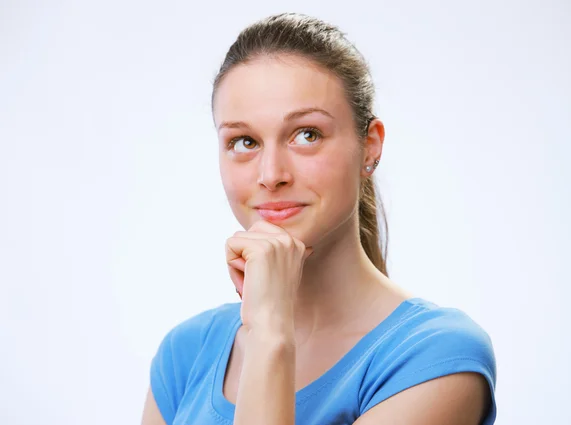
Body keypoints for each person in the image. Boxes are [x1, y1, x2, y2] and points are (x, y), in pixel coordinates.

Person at [140, 12, 497, 425]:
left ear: (370, 147)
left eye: (307, 134)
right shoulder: (185, 354)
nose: (271, 174)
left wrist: (271, 333)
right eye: (244, 141)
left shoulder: (436, 357)